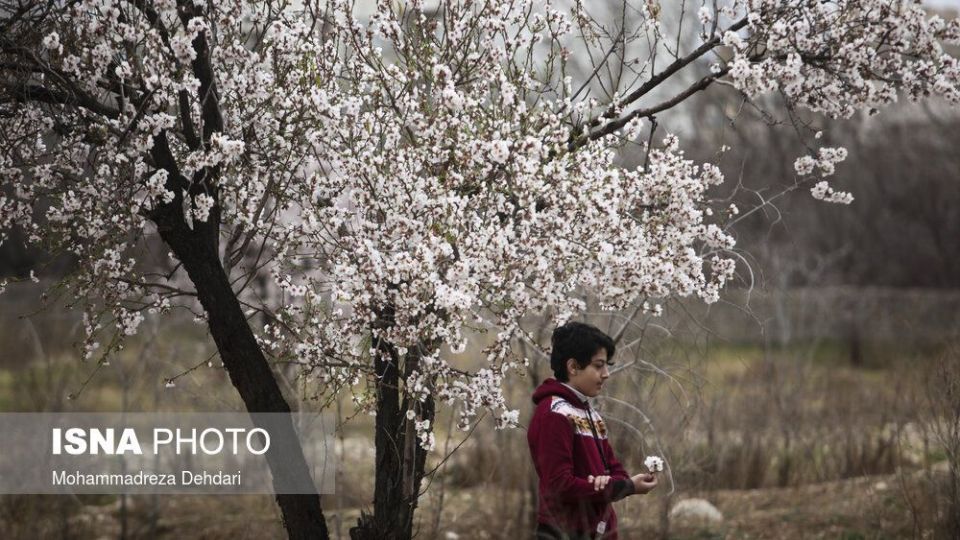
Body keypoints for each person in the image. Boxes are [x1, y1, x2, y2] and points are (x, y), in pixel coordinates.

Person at [528, 321, 658, 539]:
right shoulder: (554, 414)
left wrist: (615, 484)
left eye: (606, 365)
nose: (606, 374)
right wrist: (613, 486)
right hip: (565, 532)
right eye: (598, 366)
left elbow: (617, 472)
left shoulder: (591, 415)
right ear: (573, 367)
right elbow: (559, 485)